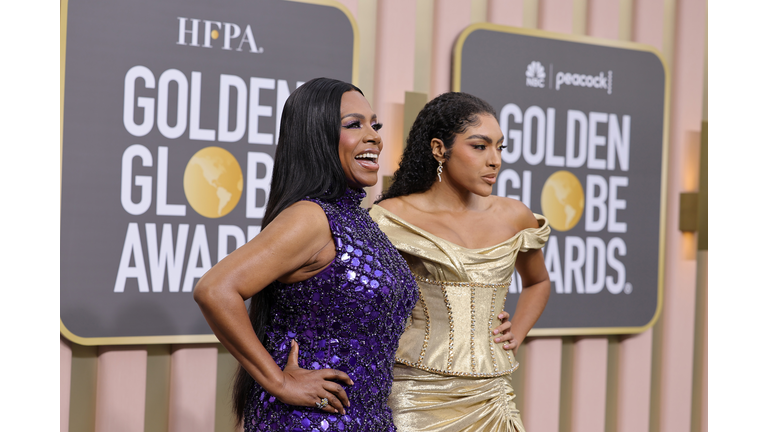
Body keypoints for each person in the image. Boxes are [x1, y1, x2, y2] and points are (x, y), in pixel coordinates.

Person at [193, 77, 419, 431]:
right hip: (311, 420)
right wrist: (279, 382)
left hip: (365, 418)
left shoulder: (357, 218)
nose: (374, 135)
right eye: (354, 125)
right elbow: (215, 289)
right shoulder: (311, 217)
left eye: (374, 124)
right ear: (318, 138)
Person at [371, 92, 551, 432]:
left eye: (501, 147)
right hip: (415, 395)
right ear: (439, 149)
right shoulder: (392, 217)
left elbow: (539, 282)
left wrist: (517, 332)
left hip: (492, 396)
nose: (495, 160)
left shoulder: (515, 215)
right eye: (480, 146)